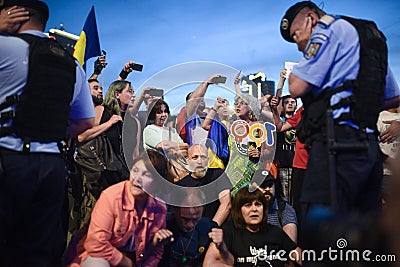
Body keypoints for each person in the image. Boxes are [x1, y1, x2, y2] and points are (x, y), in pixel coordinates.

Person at [279, 1, 399, 215]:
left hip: (336, 147)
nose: (298, 45)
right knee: (365, 227)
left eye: (297, 35)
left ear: (311, 20)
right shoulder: (370, 34)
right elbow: (392, 97)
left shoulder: (328, 30)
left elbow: (296, 87)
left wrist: (309, 49)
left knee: (323, 227)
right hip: (368, 147)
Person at [0, 1, 95, 266]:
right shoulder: (73, 65)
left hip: (8, 162)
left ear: (16, 14)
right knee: (38, 253)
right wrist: (49, 130)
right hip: (51, 168)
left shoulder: (4, 47)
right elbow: (86, 120)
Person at [68, 150, 171, 267]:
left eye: (146, 175)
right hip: (103, 259)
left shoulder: (159, 208)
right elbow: (96, 244)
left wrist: (153, 245)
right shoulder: (111, 197)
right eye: (135, 171)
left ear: (157, 183)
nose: (137, 178)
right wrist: (129, 264)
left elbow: (156, 254)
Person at [204, 186, 302, 267]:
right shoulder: (229, 231)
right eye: (248, 205)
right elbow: (209, 264)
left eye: (258, 204)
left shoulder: (275, 232)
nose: (254, 209)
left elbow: (298, 255)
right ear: (239, 210)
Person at [159, 189, 219, 267]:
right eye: (185, 219)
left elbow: (227, 261)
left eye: (195, 219)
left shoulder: (208, 227)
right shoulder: (162, 224)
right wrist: (154, 243)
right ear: (175, 209)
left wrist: (222, 247)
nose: (190, 225)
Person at [176, 144, 231, 226]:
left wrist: (211, 227)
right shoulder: (181, 186)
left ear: (208, 160)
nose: (200, 161)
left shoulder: (218, 174)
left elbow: (226, 204)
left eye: (203, 157)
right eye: (195, 157)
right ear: (187, 161)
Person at [143, 98, 189, 181]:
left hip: (178, 171)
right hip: (159, 173)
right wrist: (179, 147)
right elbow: (162, 145)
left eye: (165, 111)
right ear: (153, 114)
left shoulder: (172, 130)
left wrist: (175, 147)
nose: (163, 115)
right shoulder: (149, 129)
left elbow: (185, 148)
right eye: (159, 112)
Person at [254, 173, 298, 243]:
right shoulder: (248, 209)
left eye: (270, 185)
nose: (268, 189)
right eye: (263, 186)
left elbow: (291, 246)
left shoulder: (285, 209)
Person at [274, 95, 297, 202]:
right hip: (282, 165)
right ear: (282, 105)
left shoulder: (300, 120)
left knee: (296, 197)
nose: (290, 104)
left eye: (293, 102)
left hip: (297, 166)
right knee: (284, 198)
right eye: (287, 102)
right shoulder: (278, 121)